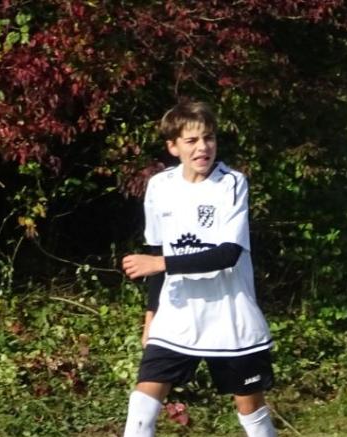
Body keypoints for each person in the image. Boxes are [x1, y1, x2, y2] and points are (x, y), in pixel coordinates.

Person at [120, 101, 277, 437]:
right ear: (173, 147)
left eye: (209, 138)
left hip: (229, 316)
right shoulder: (160, 186)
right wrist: (151, 315)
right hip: (176, 317)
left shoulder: (232, 184)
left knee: (252, 414)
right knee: (141, 410)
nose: (203, 147)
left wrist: (159, 263)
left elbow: (228, 254)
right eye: (192, 141)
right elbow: (157, 252)